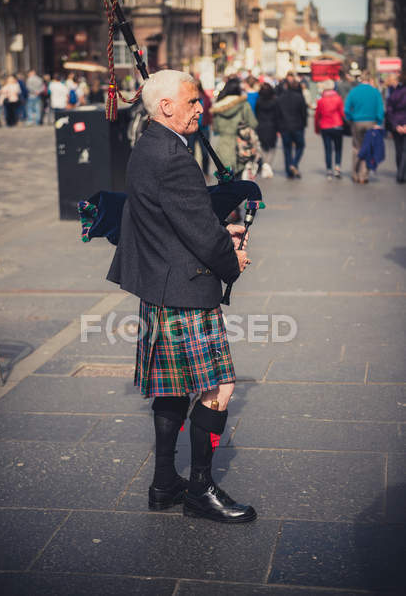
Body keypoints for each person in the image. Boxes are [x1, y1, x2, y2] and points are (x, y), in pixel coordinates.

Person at [106, 69, 256, 523]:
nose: (200, 108)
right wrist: (231, 258)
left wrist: (217, 229)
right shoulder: (174, 156)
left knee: (171, 389)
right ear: (166, 106)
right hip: (185, 290)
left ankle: (164, 483)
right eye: (192, 101)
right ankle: (200, 490)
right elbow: (200, 235)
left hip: (161, 285)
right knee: (219, 387)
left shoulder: (148, 145)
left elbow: (173, 218)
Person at [211, 77, 258, 177]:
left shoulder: (217, 107)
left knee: (225, 180)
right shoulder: (244, 104)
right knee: (239, 183)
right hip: (241, 147)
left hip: (223, 146)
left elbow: (215, 129)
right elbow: (253, 124)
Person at [345, 70, 384, 184]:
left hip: (357, 122)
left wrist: (351, 118)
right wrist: (378, 121)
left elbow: (347, 109)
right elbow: (380, 109)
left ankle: (355, 173)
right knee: (368, 148)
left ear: (361, 79)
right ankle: (364, 175)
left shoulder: (354, 91)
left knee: (357, 147)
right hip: (371, 122)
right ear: (370, 79)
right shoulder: (375, 92)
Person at [277, 77, 307, 178]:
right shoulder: (299, 97)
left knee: (287, 149)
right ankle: (294, 164)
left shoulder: (280, 97)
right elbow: (304, 113)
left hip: (285, 127)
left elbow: (278, 114)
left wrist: (279, 127)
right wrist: (304, 124)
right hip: (298, 126)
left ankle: (289, 171)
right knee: (300, 146)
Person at [314, 79, 345, 179]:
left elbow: (317, 116)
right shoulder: (338, 99)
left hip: (325, 127)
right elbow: (342, 113)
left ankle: (329, 170)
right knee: (338, 148)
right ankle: (337, 168)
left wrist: (317, 129)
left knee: (328, 149)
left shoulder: (321, 100)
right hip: (337, 126)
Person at [187, 79, 212, 175]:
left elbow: (209, 111)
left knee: (205, 153)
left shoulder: (205, 98)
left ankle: (205, 173)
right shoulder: (188, 99)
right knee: (191, 152)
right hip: (192, 129)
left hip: (203, 128)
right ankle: (193, 173)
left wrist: (210, 122)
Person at [386, 69, 406, 183]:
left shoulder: (393, 94)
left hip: (396, 124)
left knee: (398, 150)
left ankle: (400, 170)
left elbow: (389, 111)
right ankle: (401, 173)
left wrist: (396, 125)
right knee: (404, 150)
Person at [255, 82, 279, 173]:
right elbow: (277, 115)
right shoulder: (275, 102)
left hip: (261, 126)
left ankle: (264, 163)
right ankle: (267, 164)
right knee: (271, 147)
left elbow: (256, 114)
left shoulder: (258, 101)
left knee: (262, 146)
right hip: (272, 127)